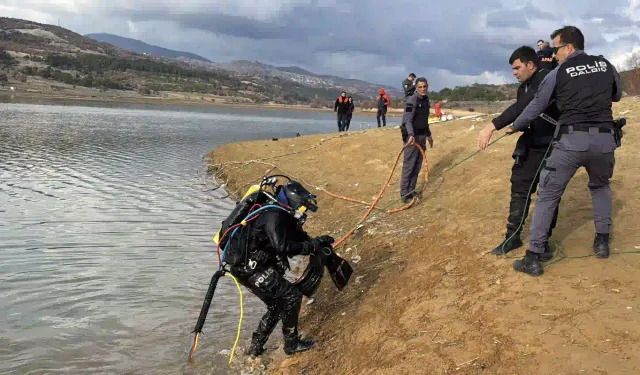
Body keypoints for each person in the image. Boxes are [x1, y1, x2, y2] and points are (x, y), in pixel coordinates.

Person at [508, 26, 622, 276]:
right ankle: (602, 243)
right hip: (605, 141)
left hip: (571, 142)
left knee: (548, 195)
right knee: (601, 187)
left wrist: (515, 126)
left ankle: (533, 256)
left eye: (555, 49)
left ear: (569, 47)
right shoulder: (606, 65)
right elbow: (618, 95)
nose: (552, 54)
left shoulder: (558, 73)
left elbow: (536, 105)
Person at [227, 180, 335, 356]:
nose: (303, 211)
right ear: (292, 201)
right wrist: (309, 247)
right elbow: (282, 247)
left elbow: (299, 238)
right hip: (248, 267)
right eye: (302, 207)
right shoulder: (274, 216)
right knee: (292, 296)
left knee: (277, 304)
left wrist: (317, 242)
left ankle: (255, 349)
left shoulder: (283, 214)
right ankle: (291, 343)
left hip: (252, 265)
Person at [477, 46, 560, 260]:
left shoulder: (546, 78)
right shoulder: (523, 87)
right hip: (531, 143)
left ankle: (543, 242)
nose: (514, 73)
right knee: (519, 187)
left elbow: (525, 105)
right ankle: (512, 236)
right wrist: (516, 127)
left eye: (517, 68)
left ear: (530, 65)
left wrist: (491, 126)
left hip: (552, 143)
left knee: (548, 193)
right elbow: (523, 109)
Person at [400, 77, 433, 204]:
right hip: (411, 137)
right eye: (420, 87)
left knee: (417, 165)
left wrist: (429, 135)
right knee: (409, 165)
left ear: (427, 86)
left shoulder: (426, 100)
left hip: (422, 136)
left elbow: (425, 120)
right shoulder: (411, 100)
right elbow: (407, 120)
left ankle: (411, 190)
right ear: (416, 88)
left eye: (424, 86)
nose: (423, 89)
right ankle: (404, 194)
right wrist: (411, 135)